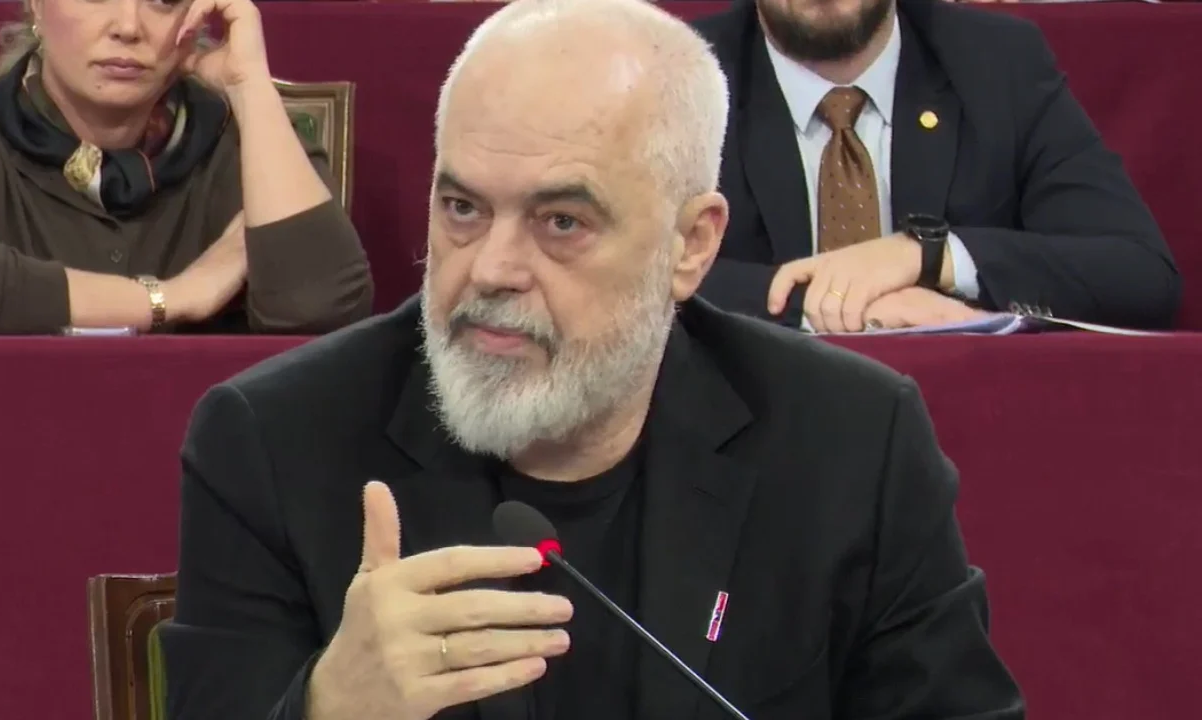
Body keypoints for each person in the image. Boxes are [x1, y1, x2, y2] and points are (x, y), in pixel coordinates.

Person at [162, 0, 1023, 718]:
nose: (491, 269)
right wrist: (329, 709)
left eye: (561, 222)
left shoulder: (850, 441)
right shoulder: (275, 440)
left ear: (691, 245)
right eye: (462, 209)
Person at [693, 0, 1178, 333]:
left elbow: (1139, 276)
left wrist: (928, 255)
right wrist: (841, 302)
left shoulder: (998, 64)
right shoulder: (687, 73)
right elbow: (652, 273)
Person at [0, 0, 372, 334]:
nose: (128, 27)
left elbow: (324, 309)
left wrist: (248, 85)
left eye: (163, 0)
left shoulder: (243, 140)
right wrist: (175, 296)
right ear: (35, 5)